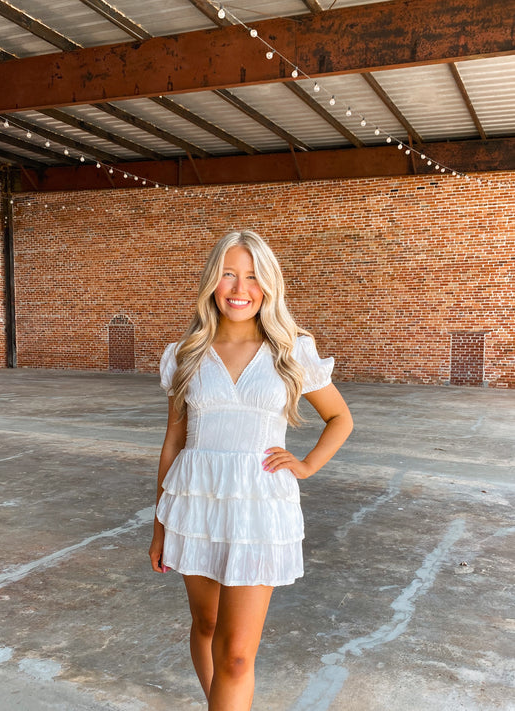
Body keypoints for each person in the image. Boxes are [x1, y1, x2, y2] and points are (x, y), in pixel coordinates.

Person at [149, 229, 353, 711]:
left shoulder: (292, 351)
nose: (240, 288)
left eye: (253, 277)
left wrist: (305, 466)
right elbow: (174, 442)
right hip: (194, 506)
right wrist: (159, 527)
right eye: (228, 274)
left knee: (237, 657)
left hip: (260, 510)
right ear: (211, 282)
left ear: (269, 286)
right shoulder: (184, 355)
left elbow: (340, 418)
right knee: (206, 627)